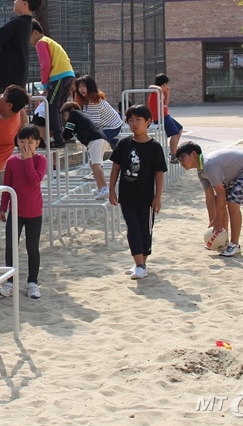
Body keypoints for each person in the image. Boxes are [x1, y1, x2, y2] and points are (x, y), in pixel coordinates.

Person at [109, 104, 167, 280]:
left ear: (148, 121)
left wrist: (157, 197)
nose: (134, 123)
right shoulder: (123, 144)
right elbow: (116, 168)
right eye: (131, 120)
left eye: (138, 120)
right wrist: (111, 190)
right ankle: (139, 264)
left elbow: (159, 173)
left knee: (145, 229)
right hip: (127, 196)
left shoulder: (155, 147)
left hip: (146, 198)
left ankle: (141, 263)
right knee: (132, 228)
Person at [175, 142, 243, 258]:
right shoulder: (201, 171)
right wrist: (213, 224)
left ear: (194, 154)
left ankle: (234, 245)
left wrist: (218, 218)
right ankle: (222, 239)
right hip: (232, 175)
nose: (181, 163)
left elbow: (221, 193)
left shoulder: (209, 165)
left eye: (182, 158)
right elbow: (210, 197)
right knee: (218, 202)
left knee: (232, 204)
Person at [0, 125, 47, 300]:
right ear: (17, 141)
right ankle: (9, 282)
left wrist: (27, 160)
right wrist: (3, 207)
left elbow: (35, 180)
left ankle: (33, 282)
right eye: (22, 141)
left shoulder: (40, 160)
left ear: (37, 143)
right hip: (15, 211)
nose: (26, 145)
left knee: (32, 247)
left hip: (34, 211)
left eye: (31, 142)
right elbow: (7, 186)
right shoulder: (12, 161)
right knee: (11, 245)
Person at [31, 20, 75, 147]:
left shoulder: (41, 42)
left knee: (51, 107)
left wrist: (45, 84)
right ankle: (59, 136)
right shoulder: (49, 41)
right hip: (68, 75)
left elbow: (45, 64)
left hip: (58, 76)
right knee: (55, 109)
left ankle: (58, 139)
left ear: (34, 32)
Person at [59, 101, 110, 200]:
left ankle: (105, 188)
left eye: (65, 114)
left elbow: (67, 133)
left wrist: (60, 139)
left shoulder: (74, 114)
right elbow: (69, 134)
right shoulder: (79, 118)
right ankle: (100, 188)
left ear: (71, 110)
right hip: (97, 140)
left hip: (95, 140)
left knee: (96, 164)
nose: (65, 118)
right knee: (93, 163)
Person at [73, 75, 124, 151]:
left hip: (112, 126)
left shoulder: (94, 101)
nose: (81, 89)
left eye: (84, 86)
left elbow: (92, 123)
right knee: (94, 143)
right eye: (79, 87)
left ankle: (96, 162)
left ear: (90, 87)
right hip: (103, 126)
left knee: (96, 143)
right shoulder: (85, 101)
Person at [148, 73, 183, 161]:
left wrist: (167, 94)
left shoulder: (161, 93)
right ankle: (174, 155)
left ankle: (172, 151)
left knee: (179, 129)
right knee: (174, 133)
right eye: (166, 84)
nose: (167, 86)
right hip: (161, 117)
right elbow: (149, 87)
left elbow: (165, 106)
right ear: (164, 84)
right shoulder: (155, 91)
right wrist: (158, 88)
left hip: (165, 115)